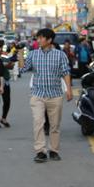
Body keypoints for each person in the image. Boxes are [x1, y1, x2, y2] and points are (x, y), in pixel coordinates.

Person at [18, 27, 73, 163]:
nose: (39, 40)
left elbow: (66, 72)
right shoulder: (33, 54)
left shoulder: (60, 55)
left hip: (55, 94)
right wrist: (20, 55)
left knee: (54, 125)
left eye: (41, 38)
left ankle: (54, 150)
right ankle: (40, 151)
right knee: (38, 122)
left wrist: (69, 90)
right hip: (38, 94)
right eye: (38, 38)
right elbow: (23, 69)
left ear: (49, 40)